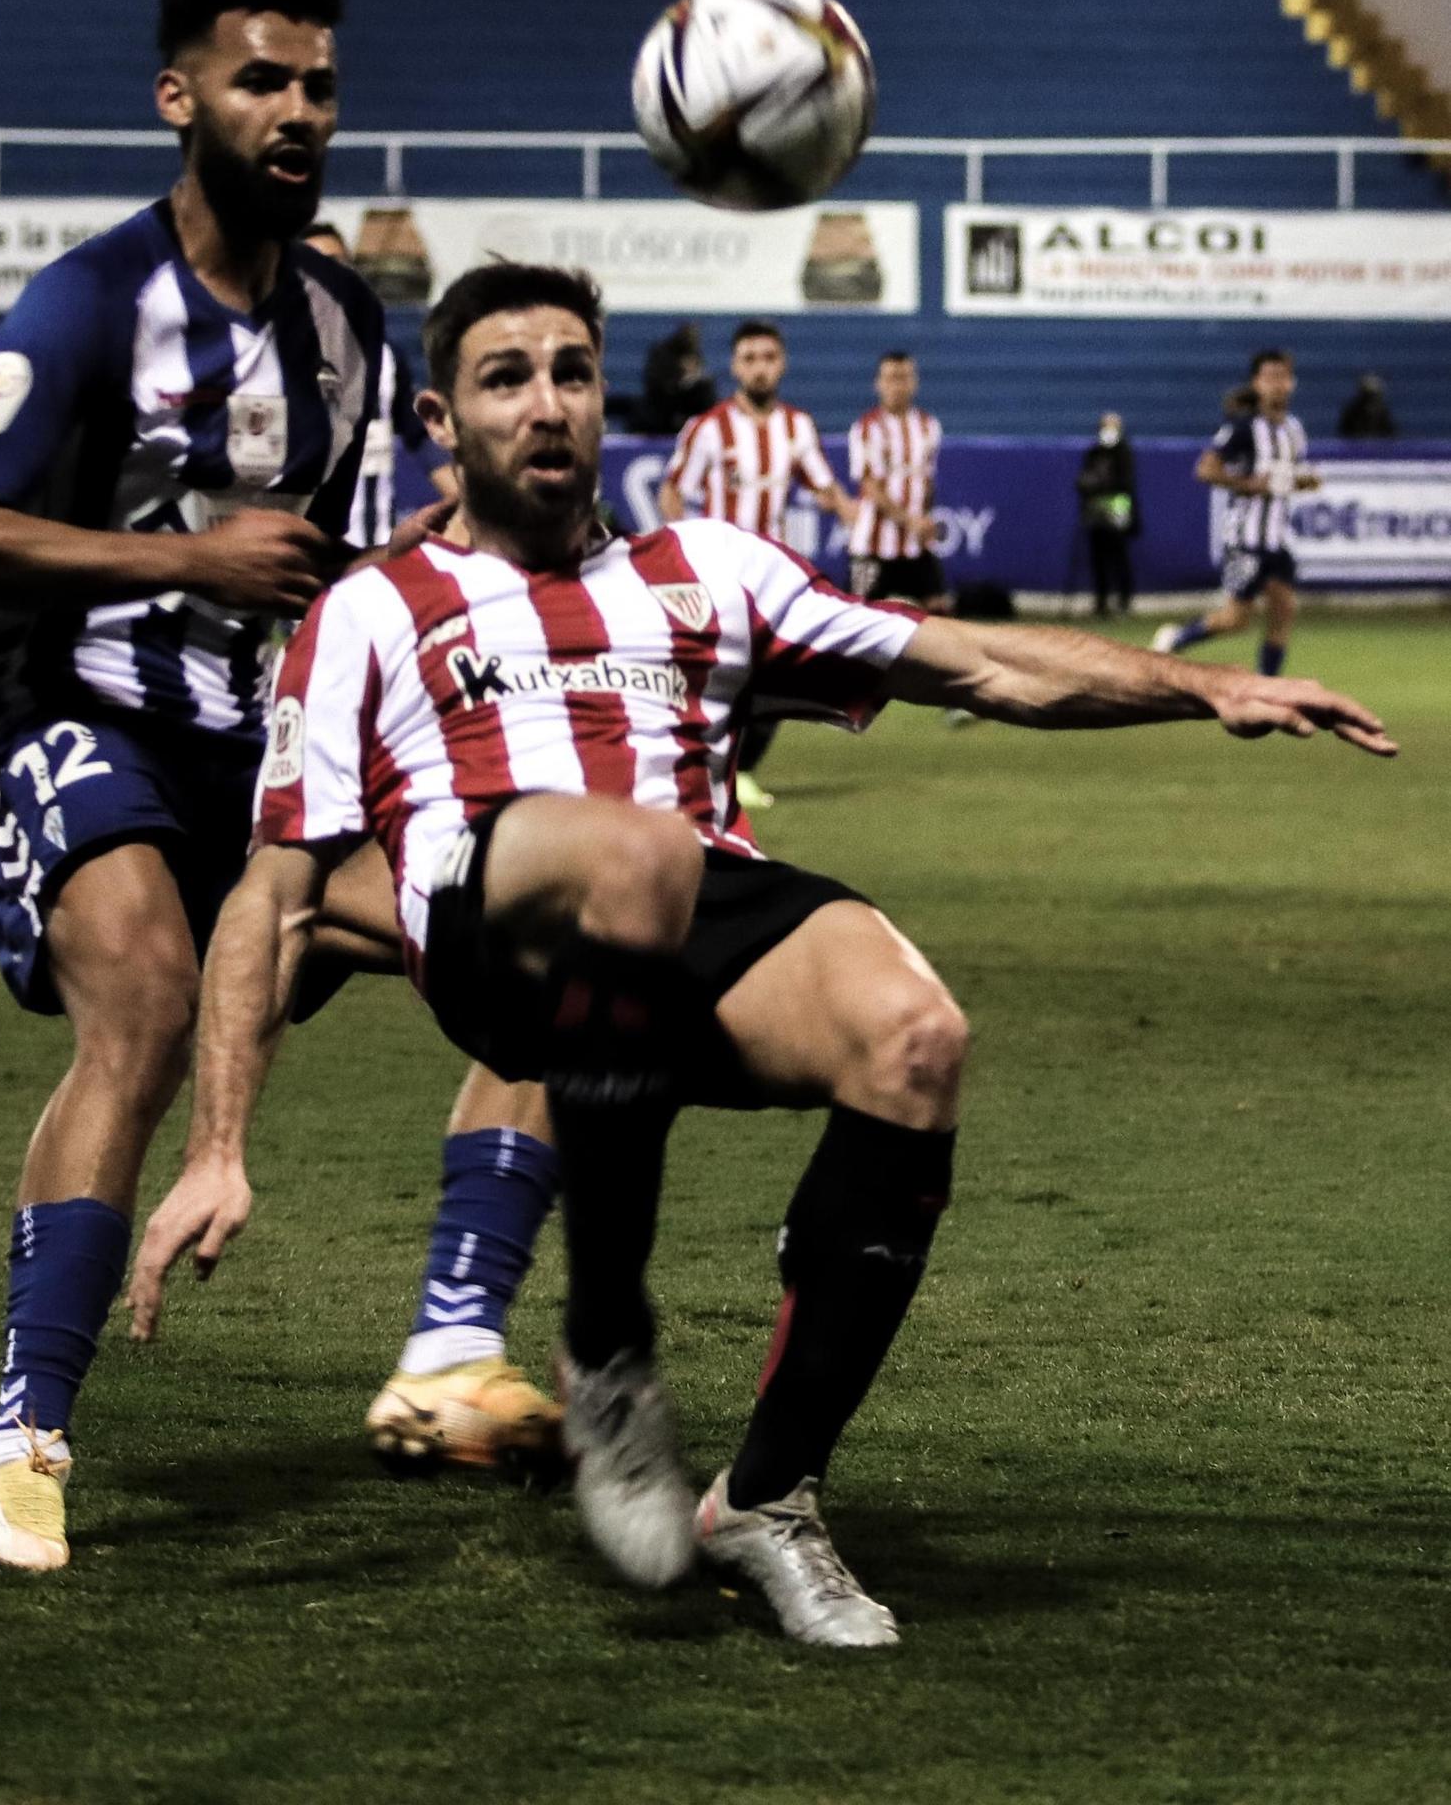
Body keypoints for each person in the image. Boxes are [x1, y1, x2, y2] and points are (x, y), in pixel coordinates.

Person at [130, 261, 1395, 1652]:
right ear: (442, 419)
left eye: (569, 372)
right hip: (488, 904)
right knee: (637, 853)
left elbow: (972, 663)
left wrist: (1207, 687)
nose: (544, 404)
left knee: (914, 1039)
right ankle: (608, 1355)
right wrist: (216, 1144)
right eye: (505, 379)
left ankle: (767, 1500)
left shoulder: (705, 568)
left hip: (682, 903)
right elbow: (272, 890)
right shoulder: (371, 609)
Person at [0, 0, 561, 1574]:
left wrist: (368, 570)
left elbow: (294, 556)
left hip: (241, 741)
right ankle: (18, 1456)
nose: (297, 111)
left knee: (527, 958)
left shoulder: (343, 320)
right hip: (42, 703)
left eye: (318, 86)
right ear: (179, 97)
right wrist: (185, 567)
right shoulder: (88, 300)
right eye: (261, 80)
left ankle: (447, 1355)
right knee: (140, 987)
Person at [659, 319, 857, 811]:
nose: (760, 368)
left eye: (768, 358)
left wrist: (852, 510)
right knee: (709, 676)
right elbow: (671, 491)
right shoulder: (708, 428)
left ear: (782, 364)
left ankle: (738, 770)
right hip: (716, 574)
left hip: (771, 578)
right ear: (735, 366)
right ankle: (694, 770)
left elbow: (822, 486)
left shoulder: (797, 427)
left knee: (778, 676)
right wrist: (680, 548)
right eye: (749, 359)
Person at [1153, 349, 1320, 675]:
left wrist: (1304, 482)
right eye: (1270, 377)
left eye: (1283, 377)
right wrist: (1246, 483)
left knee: (1284, 609)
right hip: (1245, 538)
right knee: (1235, 620)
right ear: (1257, 383)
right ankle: (1176, 638)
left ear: (1292, 382)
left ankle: (1267, 686)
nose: (1277, 384)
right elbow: (1205, 470)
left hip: (1277, 538)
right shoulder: (1244, 428)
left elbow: (1287, 478)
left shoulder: (1294, 430)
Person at [297, 220, 435, 545]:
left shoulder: (385, 357)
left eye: (337, 263)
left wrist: (466, 505)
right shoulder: (268, 359)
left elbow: (419, 439)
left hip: (373, 555)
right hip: (302, 558)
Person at [845, 351, 946, 610]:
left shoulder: (928, 426)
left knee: (939, 611)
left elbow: (927, 481)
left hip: (914, 545)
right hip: (872, 545)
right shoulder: (867, 428)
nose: (897, 386)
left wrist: (925, 520)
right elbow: (871, 488)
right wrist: (911, 521)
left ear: (914, 382)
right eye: (890, 378)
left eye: (903, 378)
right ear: (878, 383)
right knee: (858, 619)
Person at [1076, 412, 1139, 618]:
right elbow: (1083, 480)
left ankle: (1124, 600)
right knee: (1098, 560)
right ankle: (1101, 602)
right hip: (1095, 514)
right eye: (1106, 426)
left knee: (1119, 558)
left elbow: (1126, 483)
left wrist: (1102, 484)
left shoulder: (1124, 453)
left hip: (1117, 514)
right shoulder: (1094, 452)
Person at [635, 321, 717, 436]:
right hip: (662, 412)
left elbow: (700, 379)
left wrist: (693, 378)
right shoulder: (662, 354)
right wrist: (681, 380)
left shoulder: (695, 355)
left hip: (688, 407)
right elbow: (656, 386)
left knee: (706, 386)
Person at [1337, 372, 1396, 439]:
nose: (1371, 399)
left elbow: (1391, 434)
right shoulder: (1352, 411)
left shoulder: (1382, 412)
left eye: (1373, 395)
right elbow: (1344, 433)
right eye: (1367, 395)